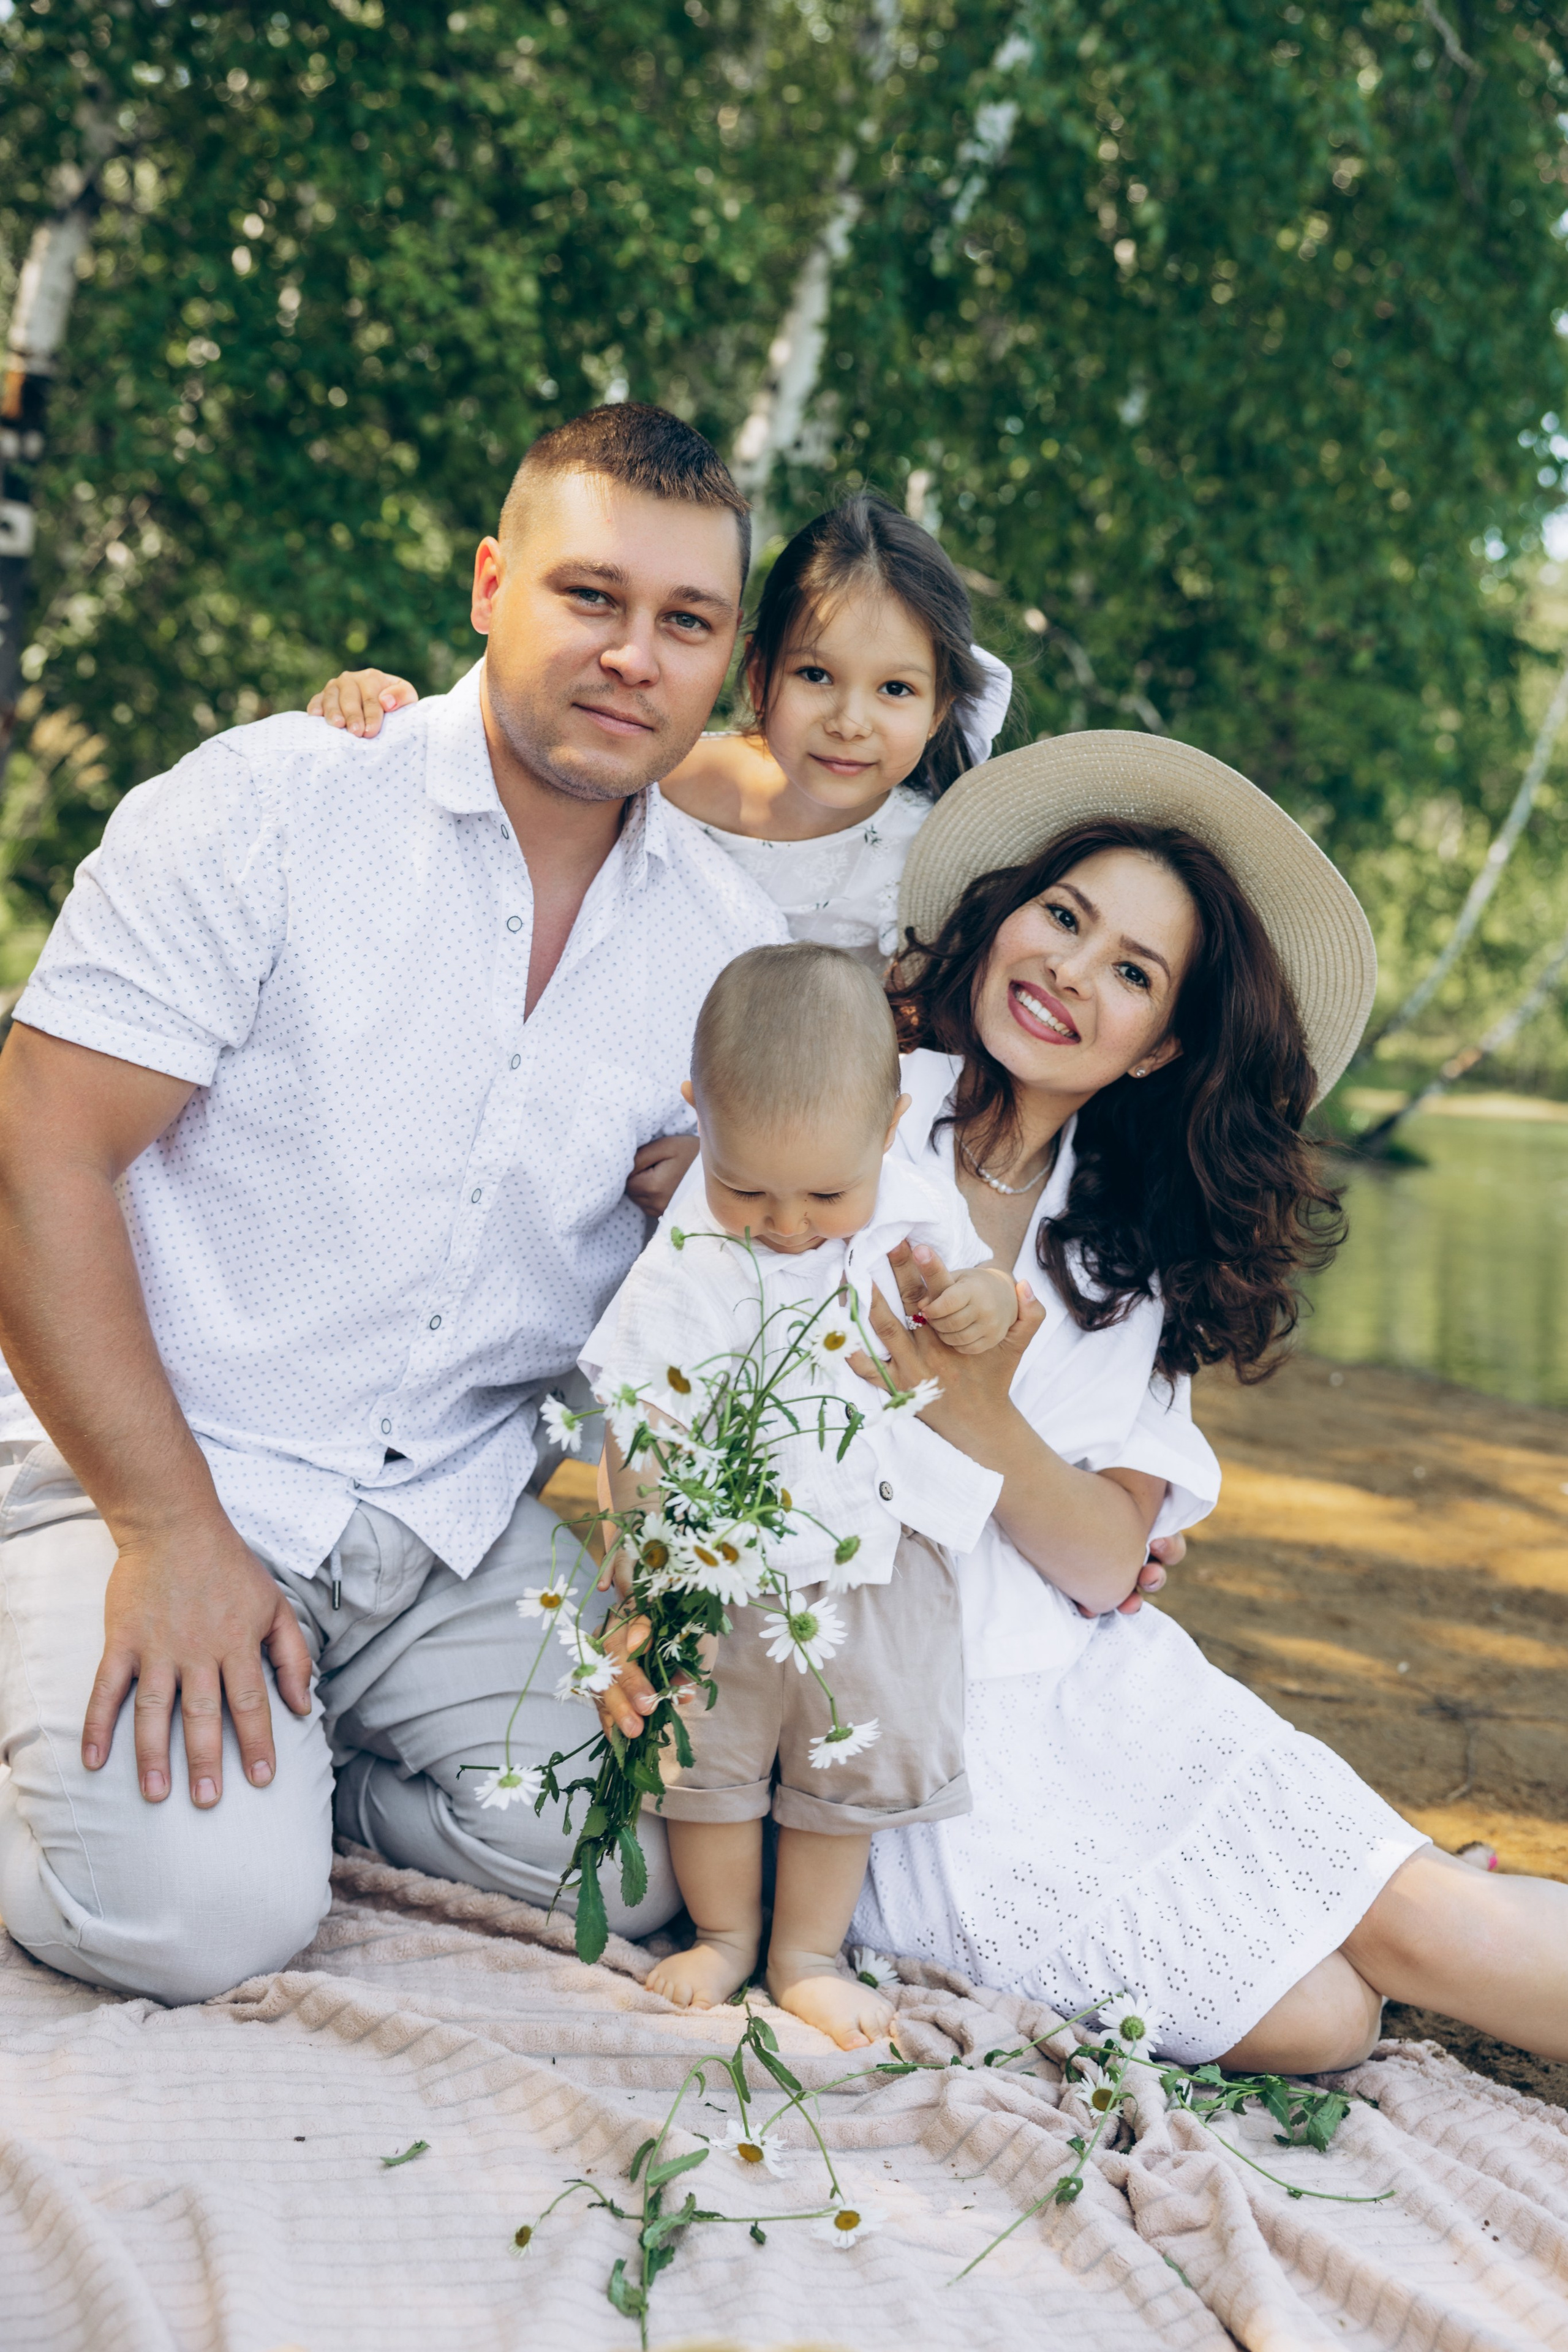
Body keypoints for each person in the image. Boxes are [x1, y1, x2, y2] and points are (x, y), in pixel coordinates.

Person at [605, 733, 1568, 2072]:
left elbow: (1110, 1561)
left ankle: (1414, 1895)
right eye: (1063, 918)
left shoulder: (1122, 1244)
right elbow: (675, 1356)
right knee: (1324, 2018)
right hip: (904, 1710)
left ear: (1155, 1046)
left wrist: (977, 1408)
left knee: (1410, 1913)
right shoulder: (850, 1106)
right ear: (1003, 919)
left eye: (1130, 971)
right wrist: (645, 1589)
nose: (1071, 969)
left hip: (1092, 1685)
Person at [0, 403, 790, 2006]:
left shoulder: (729, 955)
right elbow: (34, 1156)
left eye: (686, 622)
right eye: (590, 596)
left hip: (443, 1530)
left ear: (726, 660)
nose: (633, 656)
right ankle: (131, 1766)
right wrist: (168, 1534)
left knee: (644, 1847)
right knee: (189, 1925)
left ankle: (277, 1784)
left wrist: (652, 1591)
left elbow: (700, 1320)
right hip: (151, 1472)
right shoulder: (273, 807)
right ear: (491, 584)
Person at [580, 943, 1017, 2048]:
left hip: (873, 1556)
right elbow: (638, 1413)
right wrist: (640, 1572)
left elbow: (985, 1292)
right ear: (700, 1117)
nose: (787, 1224)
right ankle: (726, 1934)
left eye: (825, 1194)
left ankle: (808, 1955)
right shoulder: (688, 1251)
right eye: (747, 1189)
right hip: (717, 1557)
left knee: (845, 1762)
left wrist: (980, 1301)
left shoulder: (910, 1209)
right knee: (707, 1756)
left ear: (888, 1128)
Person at [306, 491, 1016, 970]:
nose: (850, 722)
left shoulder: (928, 863)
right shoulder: (650, 772)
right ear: (758, 674)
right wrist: (385, 707)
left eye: (895, 690)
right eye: (815, 675)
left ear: (940, 708)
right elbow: (511, 763)